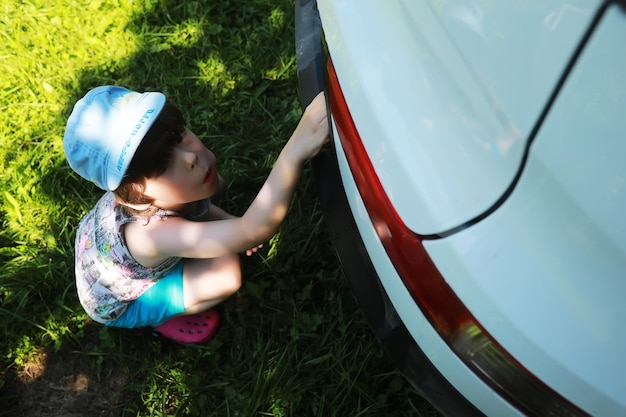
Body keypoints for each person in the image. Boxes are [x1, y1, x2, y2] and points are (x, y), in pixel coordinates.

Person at [63, 86, 328, 344]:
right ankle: (158, 319)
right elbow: (253, 230)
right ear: (129, 193)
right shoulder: (151, 235)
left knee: (208, 213)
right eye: (163, 165)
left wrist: (228, 224)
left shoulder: (151, 196)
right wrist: (294, 152)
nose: (190, 157)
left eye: (177, 136)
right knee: (226, 273)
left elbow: (204, 211)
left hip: (101, 250)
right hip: (118, 301)